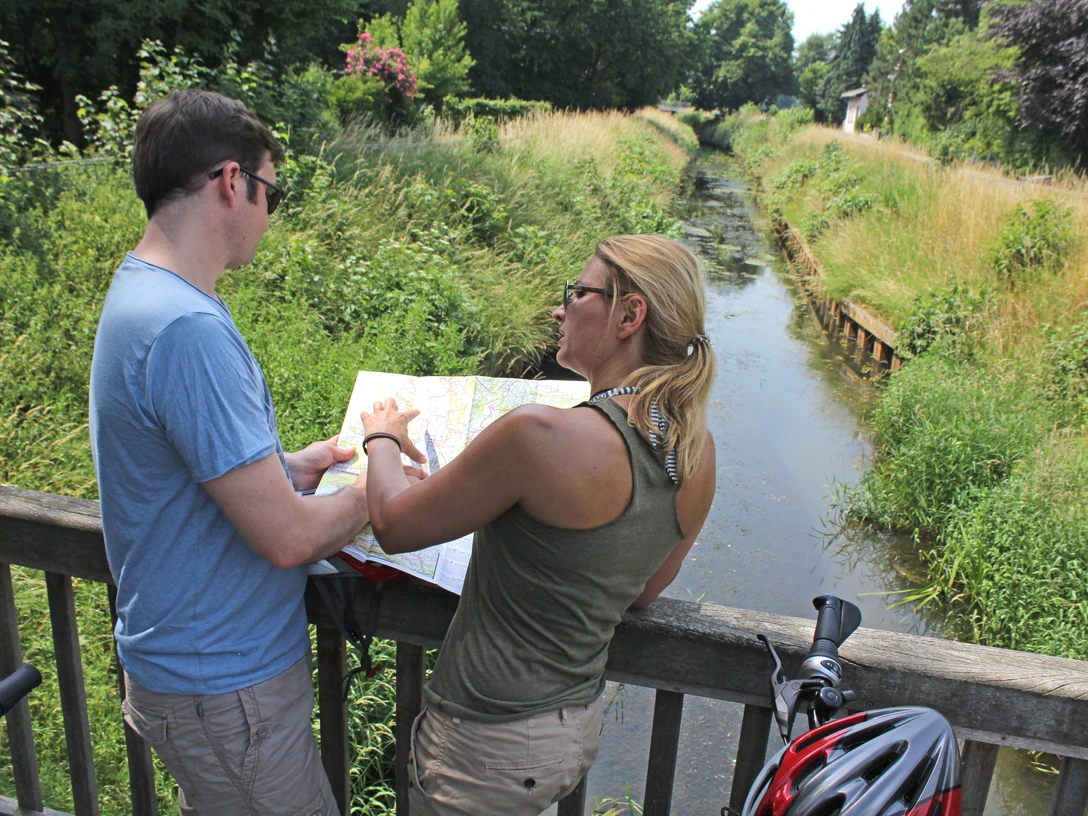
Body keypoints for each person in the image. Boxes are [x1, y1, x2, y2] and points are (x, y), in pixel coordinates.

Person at [359, 234, 717, 816]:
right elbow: (644, 591)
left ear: (630, 315)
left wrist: (382, 438)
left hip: (486, 739)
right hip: (571, 731)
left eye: (577, 293)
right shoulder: (696, 450)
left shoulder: (539, 435)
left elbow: (394, 526)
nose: (559, 309)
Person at [88, 90, 373, 816]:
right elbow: (288, 539)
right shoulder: (186, 327)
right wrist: (383, 486)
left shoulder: (144, 291)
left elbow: (186, 472)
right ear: (230, 181)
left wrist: (290, 468)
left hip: (199, 678)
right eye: (271, 192)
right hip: (223, 687)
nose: (269, 213)